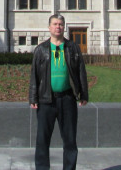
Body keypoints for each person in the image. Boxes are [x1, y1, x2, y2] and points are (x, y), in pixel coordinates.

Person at [29, 14, 89, 170]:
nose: (58, 27)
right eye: (55, 24)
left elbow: (81, 71)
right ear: (49, 27)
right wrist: (32, 97)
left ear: (64, 27)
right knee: (42, 140)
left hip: (67, 99)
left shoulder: (73, 48)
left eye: (61, 24)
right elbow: (34, 75)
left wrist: (83, 94)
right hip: (46, 100)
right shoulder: (41, 49)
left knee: (70, 140)